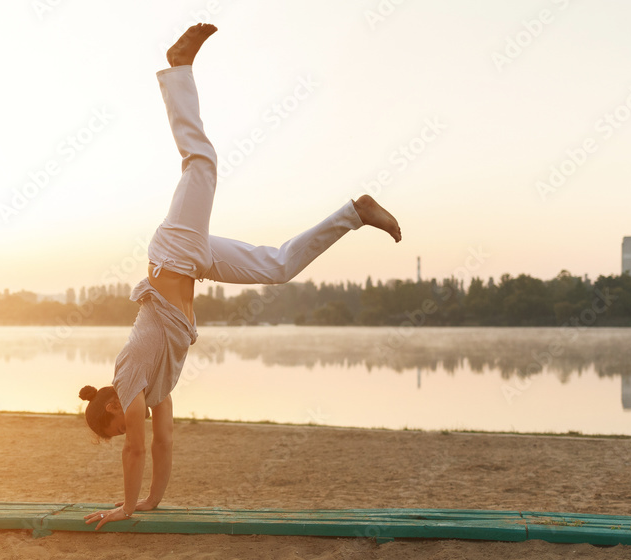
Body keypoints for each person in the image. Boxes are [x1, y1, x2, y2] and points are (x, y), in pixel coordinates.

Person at [80, 23, 401, 531]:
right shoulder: (154, 388)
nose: (125, 432)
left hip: (174, 255)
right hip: (191, 261)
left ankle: (177, 68)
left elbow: (138, 451)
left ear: (112, 405)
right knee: (277, 267)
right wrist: (150, 505)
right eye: (120, 432)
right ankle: (356, 212)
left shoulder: (127, 378)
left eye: (116, 426)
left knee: (201, 161)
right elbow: (162, 444)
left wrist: (122, 507)